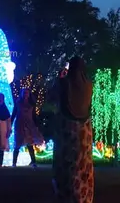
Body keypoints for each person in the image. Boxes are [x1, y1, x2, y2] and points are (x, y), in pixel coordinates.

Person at [53, 56, 94, 202]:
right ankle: (84, 196)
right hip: (84, 131)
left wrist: (61, 78)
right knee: (83, 166)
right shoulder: (89, 85)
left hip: (67, 130)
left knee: (67, 165)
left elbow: (56, 97)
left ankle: (68, 195)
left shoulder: (65, 83)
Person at [11, 88, 44, 168]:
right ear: (22, 94)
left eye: (27, 93)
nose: (25, 94)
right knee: (18, 144)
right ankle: (14, 163)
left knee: (30, 144)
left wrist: (37, 125)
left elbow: (34, 115)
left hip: (29, 125)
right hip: (20, 125)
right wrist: (10, 123)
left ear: (29, 94)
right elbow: (14, 113)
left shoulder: (31, 104)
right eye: (24, 93)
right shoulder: (18, 103)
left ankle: (34, 162)